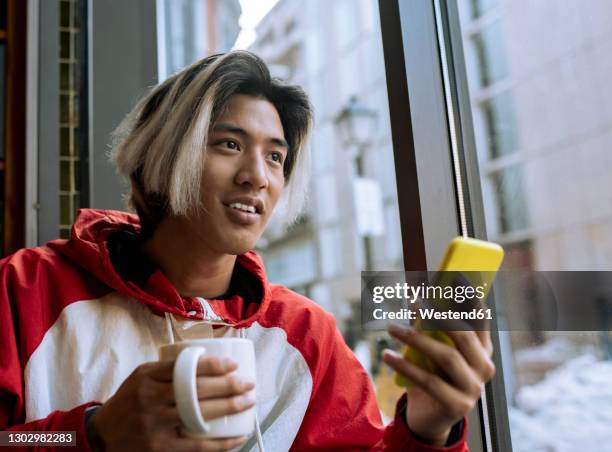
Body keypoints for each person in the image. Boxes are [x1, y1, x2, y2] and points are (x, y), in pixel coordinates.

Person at [0, 51, 495, 451]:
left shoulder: (308, 338)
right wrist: (93, 433)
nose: (258, 175)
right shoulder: (27, 288)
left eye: (276, 156)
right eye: (229, 145)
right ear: (162, 155)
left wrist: (428, 432)